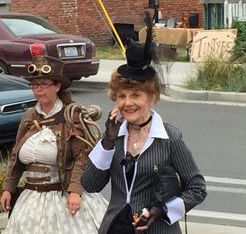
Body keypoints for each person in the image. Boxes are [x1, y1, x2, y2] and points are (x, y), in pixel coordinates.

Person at [81, 12, 207, 234]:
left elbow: (197, 189)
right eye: (121, 96)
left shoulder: (169, 138)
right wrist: (107, 142)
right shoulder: (114, 137)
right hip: (116, 228)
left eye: (135, 96)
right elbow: (90, 185)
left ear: (152, 97)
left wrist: (163, 210)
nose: (127, 103)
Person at [0, 54, 108, 233]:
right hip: (31, 198)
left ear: (57, 86)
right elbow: (15, 155)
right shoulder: (29, 117)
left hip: (63, 196)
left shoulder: (72, 116)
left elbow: (82, 157)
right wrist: (8, 188)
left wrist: (75, 191)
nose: (38, 90)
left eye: (43, 84)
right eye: (34, 85)